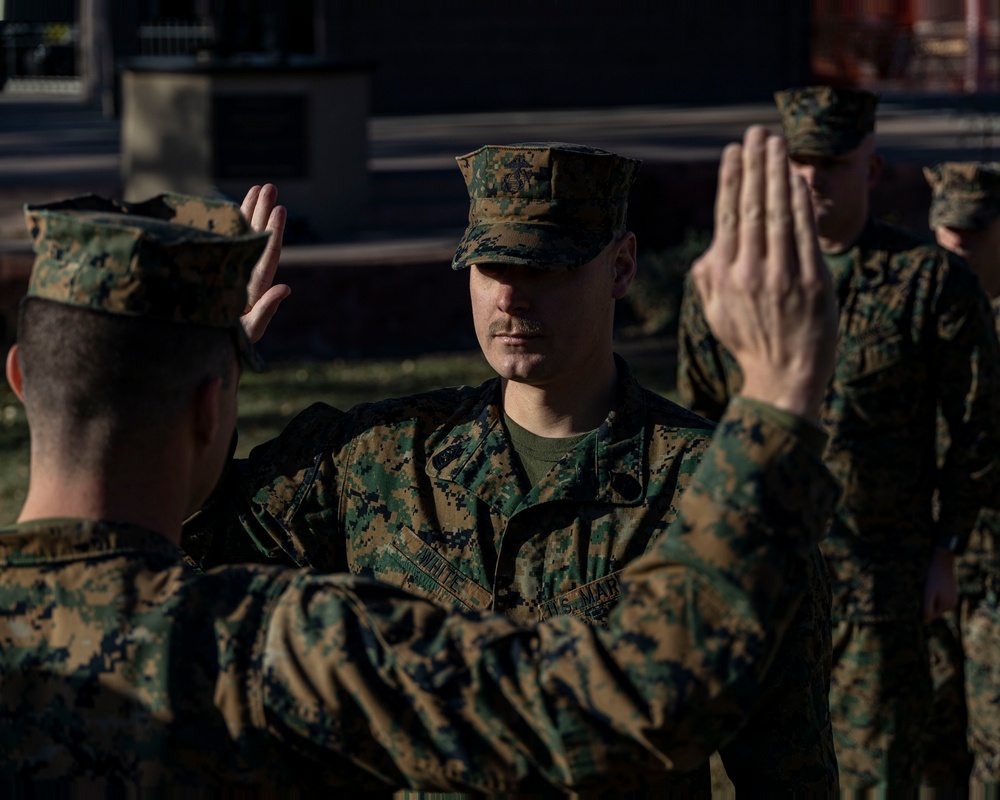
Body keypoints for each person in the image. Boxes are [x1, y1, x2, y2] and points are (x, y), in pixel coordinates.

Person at [1, 129, 842, 795]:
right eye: (489, 266)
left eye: (542, 268)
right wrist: (205, 362)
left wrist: (202, 368)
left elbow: (787, 755)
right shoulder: (371, 456)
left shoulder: (706, 485)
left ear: (621, 267)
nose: (511, 296)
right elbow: (190, 548)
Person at [677, 86, 1000, 793]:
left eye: (832, 161)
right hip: (763, 585)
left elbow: (979, 424)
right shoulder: (727, 286)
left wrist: (948, 548)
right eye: (800, 160)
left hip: (881, 589)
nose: (813, 178)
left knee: (879, 779)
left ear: (871, 169)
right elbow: (697, 429)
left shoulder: (929, 282)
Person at [923, 160, 1000, 787]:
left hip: (991, 561)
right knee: (932, 735)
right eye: (946, 230)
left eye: (973, 230)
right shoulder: (924, 314)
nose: (957, 244)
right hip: (927, 557)